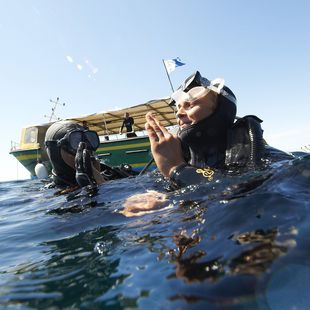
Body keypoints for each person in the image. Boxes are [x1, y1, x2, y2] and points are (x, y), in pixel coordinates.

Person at [145, 71, 294, 189]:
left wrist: (176, 169)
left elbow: (237, 190)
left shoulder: (266, 159)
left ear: (221, 110)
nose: (178, 113)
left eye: (189, 105)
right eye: (177, 109)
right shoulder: (185, 158)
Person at [44, 120, 136, 189]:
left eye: (89, 139)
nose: (86, 148)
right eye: (76, 142)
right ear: (55, 152)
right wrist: (91, 190)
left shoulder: (113, 173)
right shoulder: (53, 194)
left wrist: (99, 180)